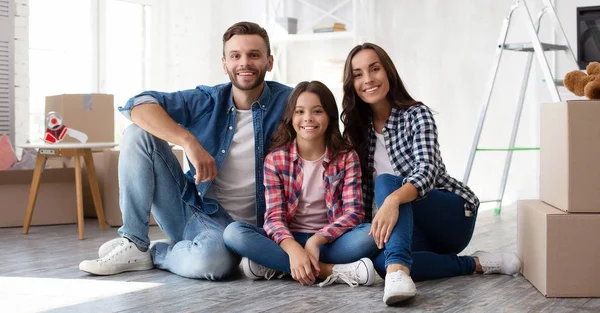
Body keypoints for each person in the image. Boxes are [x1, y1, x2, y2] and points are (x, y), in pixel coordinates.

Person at [78, 21, 293, 280]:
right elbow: (138, 105)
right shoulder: (208, 100)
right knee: (138, 133)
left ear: (269, 62)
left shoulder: (290, 103)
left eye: (254, 55)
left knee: (213, 262)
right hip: (197, 213)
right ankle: (134, 243)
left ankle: (156, 253)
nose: (244, 63)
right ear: (224, 64)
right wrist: (188, 141)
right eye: (235, 56)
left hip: (257, 228)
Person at [340, 43, 521, 305]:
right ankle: (475, 263)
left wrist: (391, 200)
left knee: (387, 183)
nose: (368, 79)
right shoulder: (357, 133)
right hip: (410, 228)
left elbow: (427, 170)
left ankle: (398, 271)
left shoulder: (417, 114)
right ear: (351, 83)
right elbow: (359, 196)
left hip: (451, 216)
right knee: (380, 262)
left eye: (374, 69)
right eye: (358, 74)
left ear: (388, 72)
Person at [223, 81, 379, 287]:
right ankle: (329, 270)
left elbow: (354, 213)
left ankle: (278, 266)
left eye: (317, 111)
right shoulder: (276, 159)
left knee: (369, 236)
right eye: (300, 111)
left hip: (329, 242)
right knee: (234, 233)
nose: (308, 118)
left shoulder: (346, 156)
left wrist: (316, 240)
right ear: (291, 117)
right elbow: (274, 218)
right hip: (287, 241)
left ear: (329, 117)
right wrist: (294, 249)